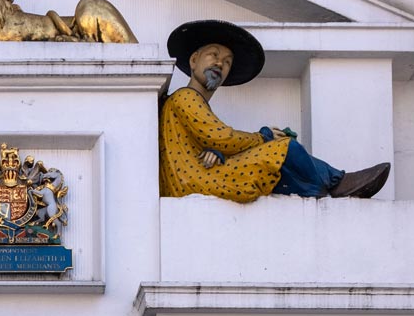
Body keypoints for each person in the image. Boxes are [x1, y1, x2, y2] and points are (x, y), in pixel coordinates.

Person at [159, 19, 389, 202]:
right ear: (194, 60)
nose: (220, 63)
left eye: (227, 61)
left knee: (276, 162)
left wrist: (218, 153)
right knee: (283, 148)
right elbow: (221, 137)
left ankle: (327, 186)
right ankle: (337, 183)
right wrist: (263, 137)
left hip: (197, 176)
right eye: (213, 55)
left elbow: (211, 144)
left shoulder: (193, 103)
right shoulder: (186, 97)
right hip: (195, 182)